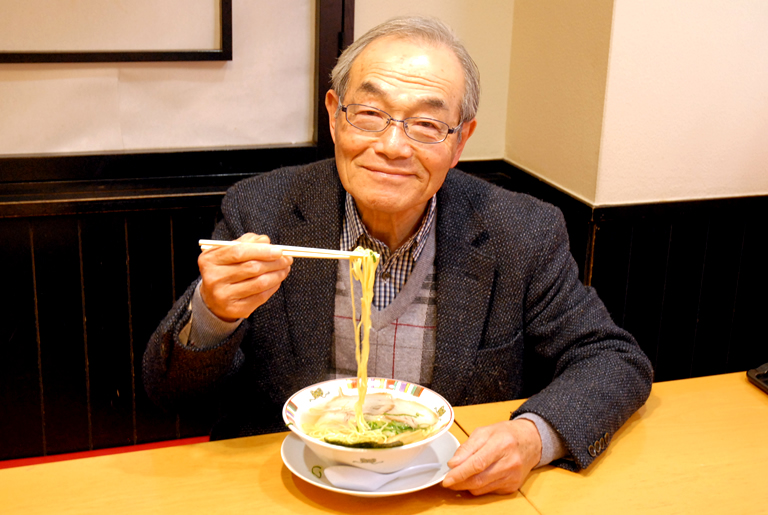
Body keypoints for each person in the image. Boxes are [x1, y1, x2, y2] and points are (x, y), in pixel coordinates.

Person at [144, 16, 652, 496]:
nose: (392, 146)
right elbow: (171, 395)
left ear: (460, 142)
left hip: (449, 489)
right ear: (334, 116)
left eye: (427, 124)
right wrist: (216, 315)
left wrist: (532, 438)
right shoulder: (263, 210)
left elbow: (613, 359)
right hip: (288, 485)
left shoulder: (518, 230)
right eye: (369, 114)